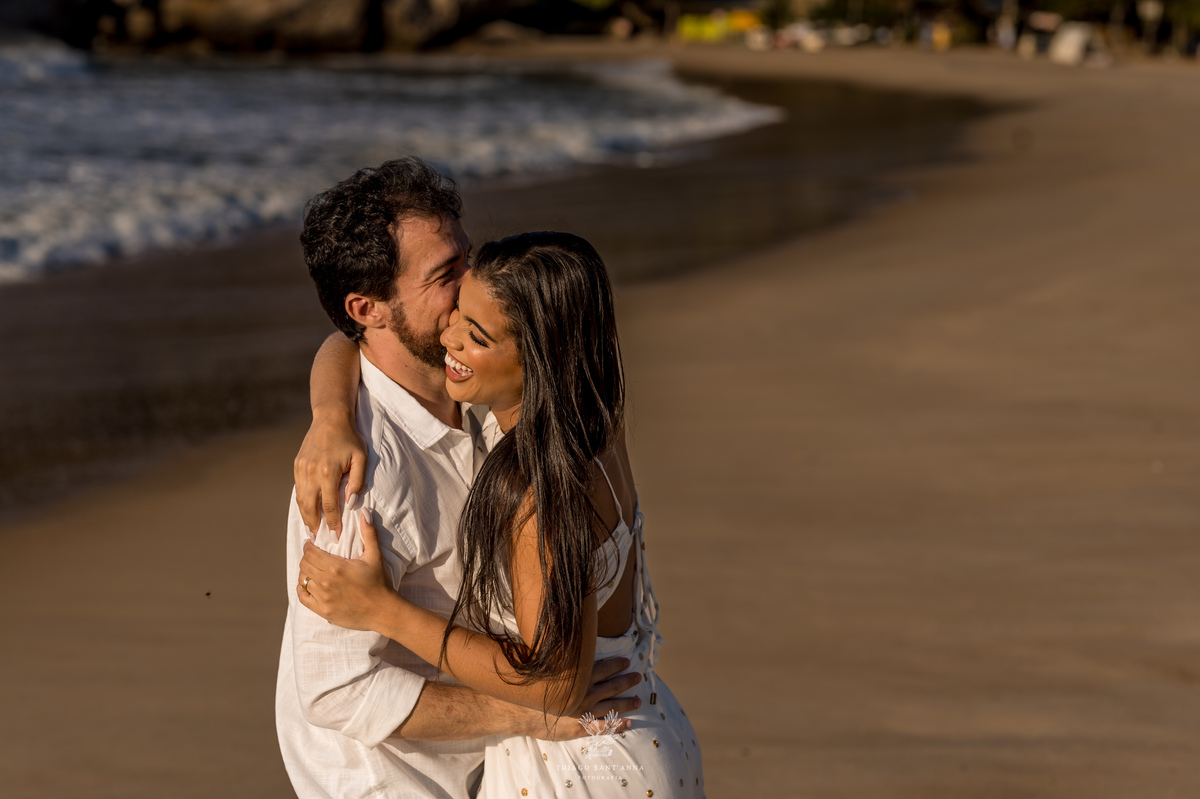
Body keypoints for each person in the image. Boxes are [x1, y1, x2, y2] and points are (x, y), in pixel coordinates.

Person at [294, 232, 705, 797]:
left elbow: (557, 688)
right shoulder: (591, 426)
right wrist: (331, 413)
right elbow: (346, 342)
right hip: (644, 726)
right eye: (458, 313)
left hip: (579, 763)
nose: (450, 338)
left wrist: (383, 610)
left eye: (478, 336)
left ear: (537, 355)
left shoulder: (535, 486)